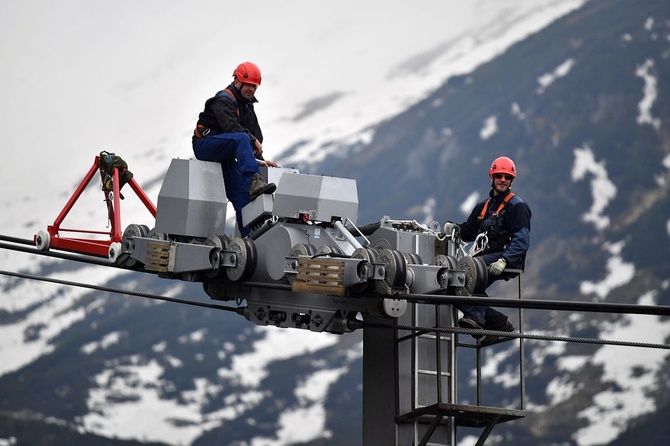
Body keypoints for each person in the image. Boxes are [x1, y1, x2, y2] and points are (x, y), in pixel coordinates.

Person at [443, 156, 532, 346]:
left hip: (507, 257)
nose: (502, 180)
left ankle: (476, 319)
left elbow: (522, 240)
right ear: (491, 177)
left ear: (511, 181)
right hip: (484, 258)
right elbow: (468, 231)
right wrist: (455, 228)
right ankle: (499, 324)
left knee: (469, 274)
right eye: (499, 175)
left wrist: (505, 260)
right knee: (451, 284)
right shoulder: (483, 206)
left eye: (507, 177)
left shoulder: (517, 207)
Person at [192, 61, 280, 237]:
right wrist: (252, 140)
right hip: (205, 146)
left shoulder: (247, 106)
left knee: (242, 197)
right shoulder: (224, 100)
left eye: (254, 87)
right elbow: (231, 128)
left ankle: (250, 240)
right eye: (248, 85)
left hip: (225, 154)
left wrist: (261, 160)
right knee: (241, 138)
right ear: (237, 81)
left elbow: (254, 138)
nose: (251, 90)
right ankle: (254, 181)